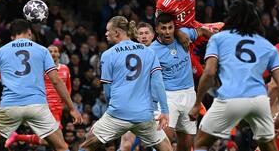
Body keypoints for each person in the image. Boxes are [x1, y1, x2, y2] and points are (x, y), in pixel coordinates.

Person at [188, 0, 279, 151]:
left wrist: (196, 103)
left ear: (230, 17)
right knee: (268, 146)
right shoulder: (267, 45)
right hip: (259, 101)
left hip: (231, 98)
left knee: (201, 142)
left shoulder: (218, 38)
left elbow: (209, 73)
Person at [0, 19, 82, 151]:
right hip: (37, 107)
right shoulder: (42, 50)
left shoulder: (0, 52)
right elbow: (56, 80)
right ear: (29, 33)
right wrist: (71, 108)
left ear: (12, 36)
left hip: (10, 106)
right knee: (61, 147)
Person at [79, 16, 172, 151]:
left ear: (116, 32)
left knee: (87, 145)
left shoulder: (107, 55)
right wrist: (165, 110)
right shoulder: (149, 52)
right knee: (166, 148)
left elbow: (108, 90)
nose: (105, 34)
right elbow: (158, 83)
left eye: (108, 30)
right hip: (144, 115)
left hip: (118, 113)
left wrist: (111, 113)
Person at [150, 13, 212, 151]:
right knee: (163, 140)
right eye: (163, 28)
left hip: (189, 94)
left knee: (186, 144)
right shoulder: (151, 51)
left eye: (170, 28)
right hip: (168, 97)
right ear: (157, 30)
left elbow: (202, 30)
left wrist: (218, 45)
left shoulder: (183, 35)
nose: (167, 32)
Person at [5, 44, 72, 148]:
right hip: (46, 108)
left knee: (53, 143)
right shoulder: (40, 69)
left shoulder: (65, 69)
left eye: (55, 51)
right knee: (61, 145)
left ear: (59, 54)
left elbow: (68, 89)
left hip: (58, 109)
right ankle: (17, 137)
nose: (53, 53)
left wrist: (67, 104)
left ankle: (17, 137)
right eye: (50, 51)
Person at [119, 21, 155, 151]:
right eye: (141, 34)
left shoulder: (162, 52)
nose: (144, 36)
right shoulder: (130, 55)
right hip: (135, 105)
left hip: (157, 107)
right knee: (127, 144)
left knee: (161, 144)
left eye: (146, 33)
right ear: (137, 37)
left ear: (153, 35)